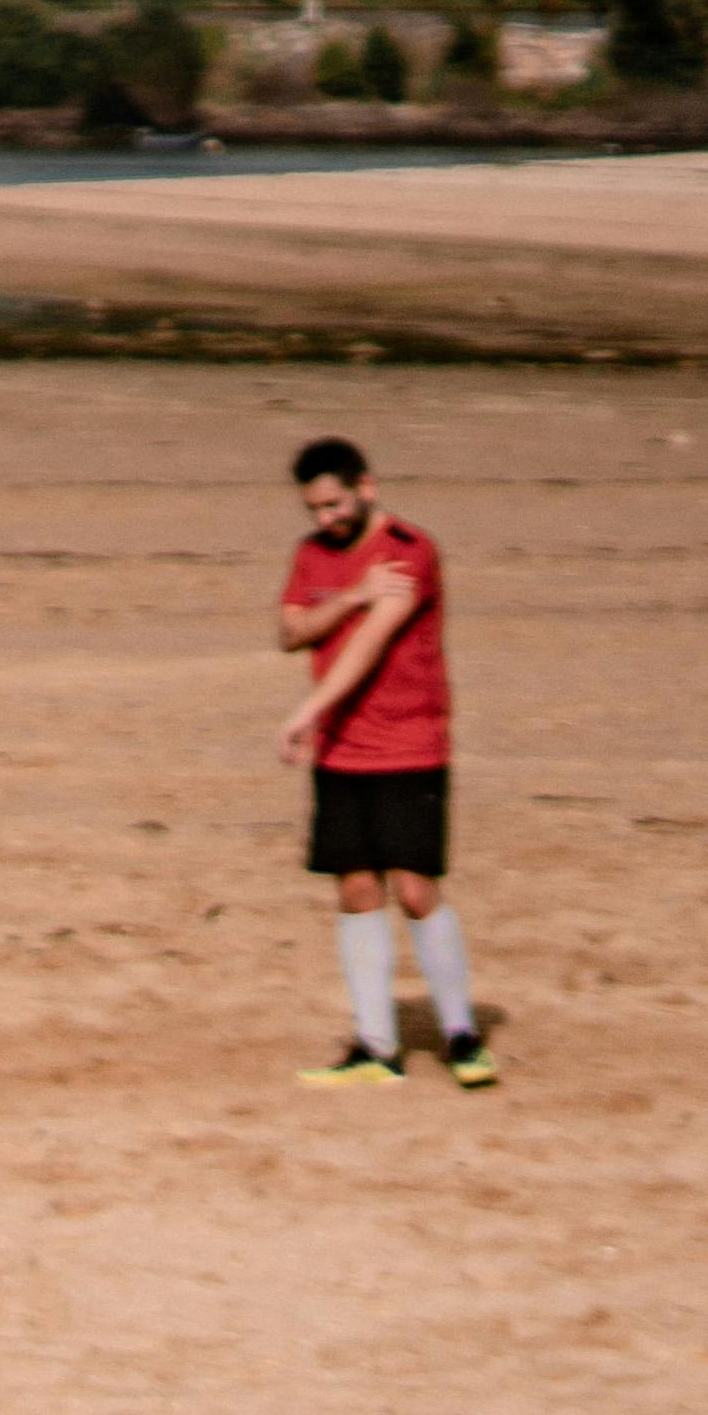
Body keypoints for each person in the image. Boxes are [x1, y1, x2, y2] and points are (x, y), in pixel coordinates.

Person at [277, 435, 488, 1088]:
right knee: (355, 888)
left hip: (409, 744)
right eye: (315, 508)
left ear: (366, 487)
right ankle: (376, 1048)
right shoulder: (313, 557)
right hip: (343, 752)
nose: (325, 519)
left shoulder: (408, 551)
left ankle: (462, 1036)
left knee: (416, 887)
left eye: (335, 504)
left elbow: (369, 644)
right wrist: (348, 595)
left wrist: (306, 711)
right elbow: (290, 630)